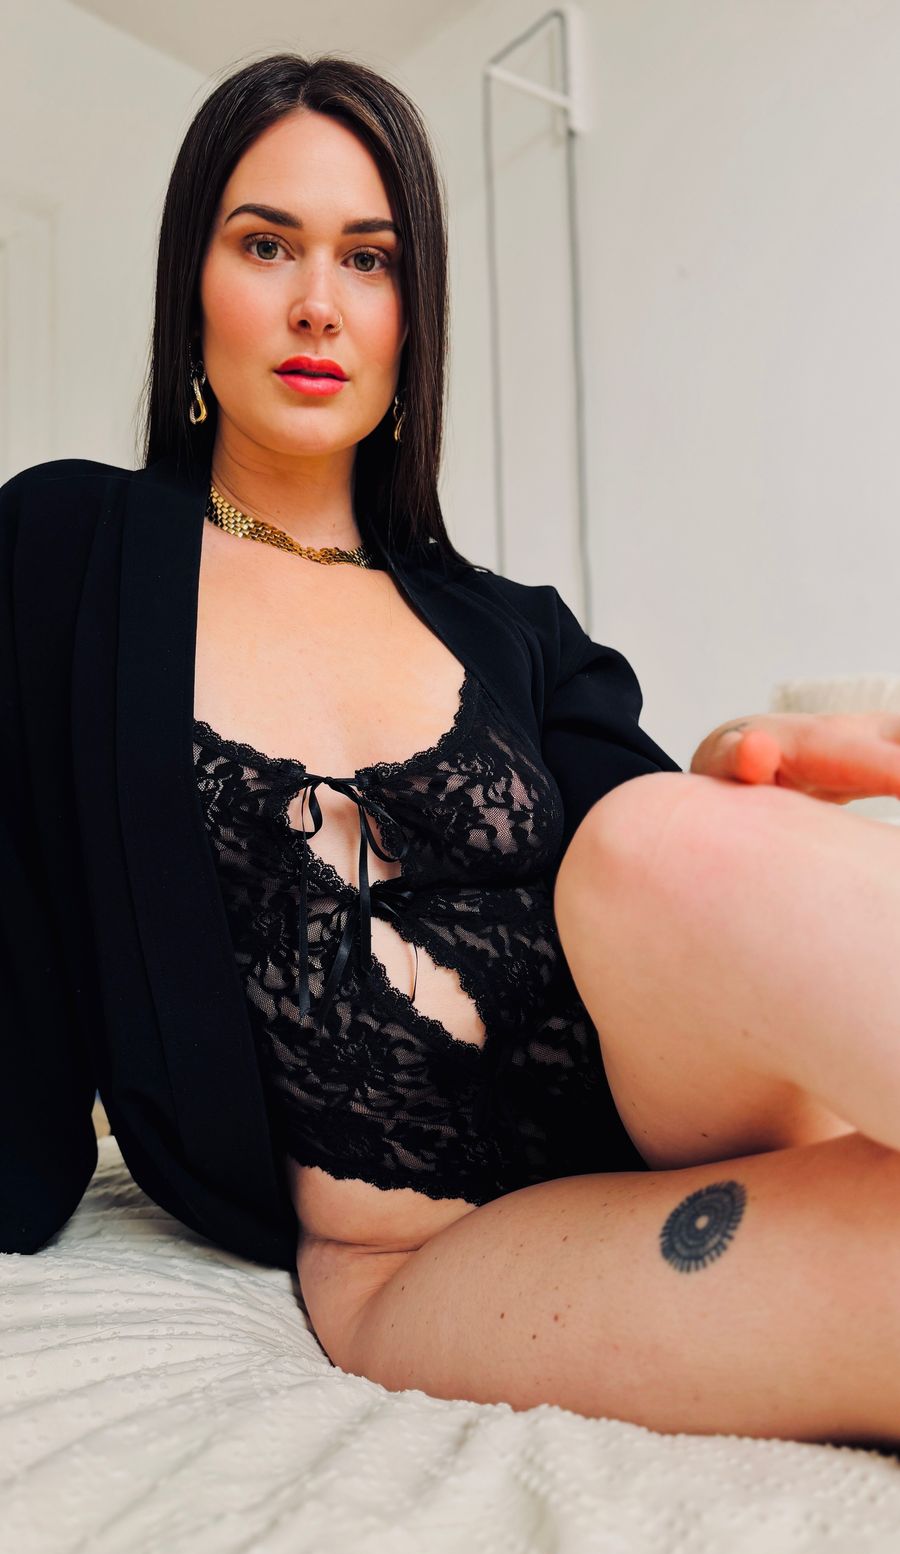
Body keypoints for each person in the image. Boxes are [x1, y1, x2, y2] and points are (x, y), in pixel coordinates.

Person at [4, 53, 900, 1451]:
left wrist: (746, 756)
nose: (319, 302)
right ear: (193, 283)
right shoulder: (71, 549)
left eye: (369, 260)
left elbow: (663, 880)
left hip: (661, 1107)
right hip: (431, 1257)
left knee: (661, 834)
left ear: (412, 314)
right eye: (266, 245)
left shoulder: (514, 626)